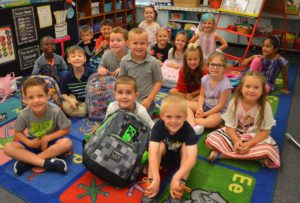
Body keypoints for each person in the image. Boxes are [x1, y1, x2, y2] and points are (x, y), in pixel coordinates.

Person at [205, 71, 280, 168]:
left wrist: (249, 144)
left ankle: (224, 155)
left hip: (254, 137)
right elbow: (229, 126)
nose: (251, 90)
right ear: (241, 88)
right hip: (236, 133)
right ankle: (252, 157)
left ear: (262, 91)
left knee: (268, 151)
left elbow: (265, 132)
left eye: (256, 87)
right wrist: (236, 140)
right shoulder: (234, 102)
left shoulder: (265, 106)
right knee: (211, 140)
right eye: (248, 86)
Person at [4, 77, 72, 175]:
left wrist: (47, 138)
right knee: (8, 148)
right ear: (25, 100)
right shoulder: (24, 114)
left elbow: (66, 130)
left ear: (47, 96)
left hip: (51, 144)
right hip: (33, 142)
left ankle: (29, 161)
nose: (36, 100)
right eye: (31, 97)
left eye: (40, 96)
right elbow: (18, 132)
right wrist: (29, 143)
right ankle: (46, 162)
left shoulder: (55, 110)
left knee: (66, 143)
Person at [142, 95, 198, 202]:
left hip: (180, 161)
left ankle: (179, 186)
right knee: (160, 145)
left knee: (186, 148)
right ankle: (152, 182)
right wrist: (156, 177)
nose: (173, 121)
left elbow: (192, 158)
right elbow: (152, 153)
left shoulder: (188, 130)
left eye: (178, 117)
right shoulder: (158, 126)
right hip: (162, 158)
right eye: (169, 117)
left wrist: (177, 177)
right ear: (162, 116)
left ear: (185, 116)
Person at [119, 28, 163, 115]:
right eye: (135, 43)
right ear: (128, 44)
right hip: (129, 99)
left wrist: (149, 99)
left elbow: (158, 82)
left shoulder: (153, 62)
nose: (139, 47)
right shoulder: (124, 60)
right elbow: (121, 82)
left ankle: (154, 107)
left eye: (142, 43)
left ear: (147, 44)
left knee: (140, 121)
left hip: (146, 100)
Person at [187, 51, 231, 132]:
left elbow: (220, 105)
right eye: (213, 64)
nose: (215, 67)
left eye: (219, 65)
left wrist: (205, 114)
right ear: (208, 66)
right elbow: (202, 96)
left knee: (208, 122)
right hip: (205, 106)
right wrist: (200, 107)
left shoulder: (226, 85)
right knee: (183, 104)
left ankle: (191, 121)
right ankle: (193, 123)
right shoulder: (205, 79)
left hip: (218, 112)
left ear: (224, 68)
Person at [61, 46, 94, 117]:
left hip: (89, 99)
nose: (77, 58)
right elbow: (63, 93)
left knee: (83, 112)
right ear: (68, 60)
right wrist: (70, 100)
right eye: (73, 56)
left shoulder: (90, 73)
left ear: (84, 59)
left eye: (80, 56)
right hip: (75, 98)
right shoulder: (67, 76)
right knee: (65, 106)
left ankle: (85, 109)